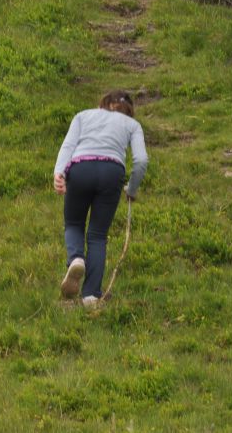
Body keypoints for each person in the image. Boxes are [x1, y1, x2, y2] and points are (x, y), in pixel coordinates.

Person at [53, 90, 148, 307]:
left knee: (74, 223)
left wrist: (59, 173)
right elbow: (141, 160)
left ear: (102, 104)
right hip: (112, 171)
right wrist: (132, 189)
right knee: (97, 235)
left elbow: (68, 145)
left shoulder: (83, 116)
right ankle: (91, 296)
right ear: (129, 111)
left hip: (80, 168)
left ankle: (76, 259)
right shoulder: (132, 125)